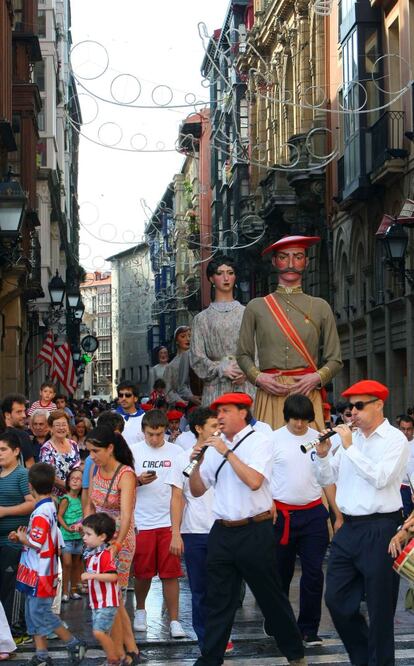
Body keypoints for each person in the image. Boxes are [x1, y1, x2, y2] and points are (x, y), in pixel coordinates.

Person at [188, 392, 306, 666]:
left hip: (255, 530)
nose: (220, 417)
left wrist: (226, 453)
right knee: (218, 600)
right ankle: (211, 658)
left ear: (242, 412)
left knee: (270, 598)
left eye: (226, 411)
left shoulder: (260, 441)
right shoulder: (214, 447)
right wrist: (197, 464)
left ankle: (295, 654)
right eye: (218, 412)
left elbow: (254, 480)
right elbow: (196, 490)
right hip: (222, 531)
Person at [314, 380, 409, 666]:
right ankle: (364, 658)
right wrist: (320, 454)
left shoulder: (395, 439)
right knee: (336, 601)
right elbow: (326, 478)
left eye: (359, 406)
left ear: (378, 405)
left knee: (380, 610)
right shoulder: (351, 440)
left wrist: (348, 447)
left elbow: (380, 478)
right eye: (349, 407)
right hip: (349, 527)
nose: (352, 413)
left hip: (381, 528)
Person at [236, 235, 342, 430]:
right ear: (275, 261)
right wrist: (258, 378)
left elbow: (335, 359)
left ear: (306, 261)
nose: (291, 263)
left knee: (311, 454)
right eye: (284, 257)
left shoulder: (320, 306)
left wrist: (316, 378)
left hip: (307, 391)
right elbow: (243, 354)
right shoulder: (256, 306)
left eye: (298, 257)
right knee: (269, 454)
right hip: (270, 393)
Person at [271, 395, 341, 647]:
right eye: (294, 419)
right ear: (286, 417)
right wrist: (269, 504)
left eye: (303, 419)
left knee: (313, 573)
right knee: (281, 573)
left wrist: (337, 514)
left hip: (313, 514)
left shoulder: (319, 438)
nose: (299, 424)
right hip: (281, 515)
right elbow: (263, 476)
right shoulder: (273, 439)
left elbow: (327, 479)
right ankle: (278, 621)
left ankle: (309, 629)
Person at [166, 407, 230, 651]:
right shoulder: (183, 458)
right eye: (213, 426)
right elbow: (176, 497)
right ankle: (206, 640)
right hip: (195, 532)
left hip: (225, 528)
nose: (218, 430)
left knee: (226, 590)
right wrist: (175, 532)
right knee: (200, 590)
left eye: (219, 425)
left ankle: (221, 633)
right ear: (198, 429)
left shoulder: (227, 453)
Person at [10, 462, 87, 666]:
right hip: (40, 569)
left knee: (40, 612)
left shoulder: (42, 512)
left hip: (40, 571)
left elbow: (37, 542)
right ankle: (42, 654)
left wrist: (22, 538)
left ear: (30, 487)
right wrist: (22, 537)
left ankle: (72, 643)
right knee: (33, 612)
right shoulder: (48, 507)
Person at [84, 425, 141, 665]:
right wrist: (86, 526)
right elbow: (91, 503)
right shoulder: (97, 468)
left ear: (110, 448)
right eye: (89, 451)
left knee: (114, 598)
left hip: (120, 539)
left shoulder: (125, 474)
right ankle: (130, 649)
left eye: (96, 451)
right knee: (114, 599)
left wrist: (116, 545)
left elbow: (127, 515)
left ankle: (119, 652)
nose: (92, 456)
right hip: (99, 538)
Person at [129, 409, 185, 639]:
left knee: (171, 574)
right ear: (143, 431)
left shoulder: (177, 452)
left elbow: (180, 492)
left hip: (167, 522)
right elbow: (123, 486)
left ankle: (174, 620)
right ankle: (140, 610)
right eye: (151, 434)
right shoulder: (132, 452)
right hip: (142, 521)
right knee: (142, 573)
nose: (155, 439)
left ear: (166, 432)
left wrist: (177, 530)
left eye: (159, 434)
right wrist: (138, 480)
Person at [189, 254, 252, 406]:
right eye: (220, 273)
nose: (226, 278)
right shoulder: (201, 319)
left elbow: (258, 350)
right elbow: (197, 358)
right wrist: (220, 368)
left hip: (244, 386)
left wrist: (248, 372)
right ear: (211, 278)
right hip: (214, 388)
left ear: (235, 277)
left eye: (230, 273)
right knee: (215, 427)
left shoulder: (248, 313)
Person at [0, 431, 34, 644]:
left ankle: (16, 631)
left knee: (10, 589)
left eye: (3, 449)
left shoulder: (22, 474)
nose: (0, 454)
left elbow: (31, 503)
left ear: (16, 451)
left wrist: (4, 511)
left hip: (13, 542)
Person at [81, 513, 120, 666]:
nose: (84, 537)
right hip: (97, 603)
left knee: (98, 632)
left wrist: (92, 577)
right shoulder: (92, 555)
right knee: (103, 633)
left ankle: (113, 660)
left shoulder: (104, 555)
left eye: (88, 534)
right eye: (84, 533)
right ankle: (113, 658)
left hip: (107, 602)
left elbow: (113, 577)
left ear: (102, 536)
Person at [39, 410, 80, 498]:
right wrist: (70, 489)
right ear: (50, 428)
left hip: (75, 494)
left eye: (64, 424)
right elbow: (50, 477)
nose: (61, 428)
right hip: (56, 497)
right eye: (57, 425)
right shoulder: (46, 449)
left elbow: (78, 468)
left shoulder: (74, 444)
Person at [57, 469, 84, 602]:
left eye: (78, 479)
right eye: (72, 478)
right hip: (66, 537)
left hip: (78, 537)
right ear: (68, 481)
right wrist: (67, 528)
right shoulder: (65, 498)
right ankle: (64, 592)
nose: (74, 480)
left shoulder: (82, 499)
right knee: (66, 564)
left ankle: (73, 590)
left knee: (76, 564)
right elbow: (59, 516)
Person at [164, 326, 201, 407]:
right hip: (183, 407)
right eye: (183, 336)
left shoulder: (200, 358)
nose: (188, 339)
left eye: (190, 336)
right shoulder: (171, 366)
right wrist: (182, 402)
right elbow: (168, 391)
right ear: (177, 341)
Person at [2, 394, 35, 467]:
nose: (24, 415)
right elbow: (30, 467)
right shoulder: (22, 435)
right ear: (7, 415)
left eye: (24, 411)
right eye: (19, 412)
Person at [115, 382, 144, 446]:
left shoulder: (145, 418)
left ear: (135, 398)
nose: (124, 398)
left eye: (128, 395)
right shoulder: (111, 417)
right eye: (121, 395)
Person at [398, 415, 414, 517]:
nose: (405, 432)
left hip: (413, 487)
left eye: (408, 429)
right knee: (404, 517)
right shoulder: (394, 444)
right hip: (400, 487)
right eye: (403, 429)